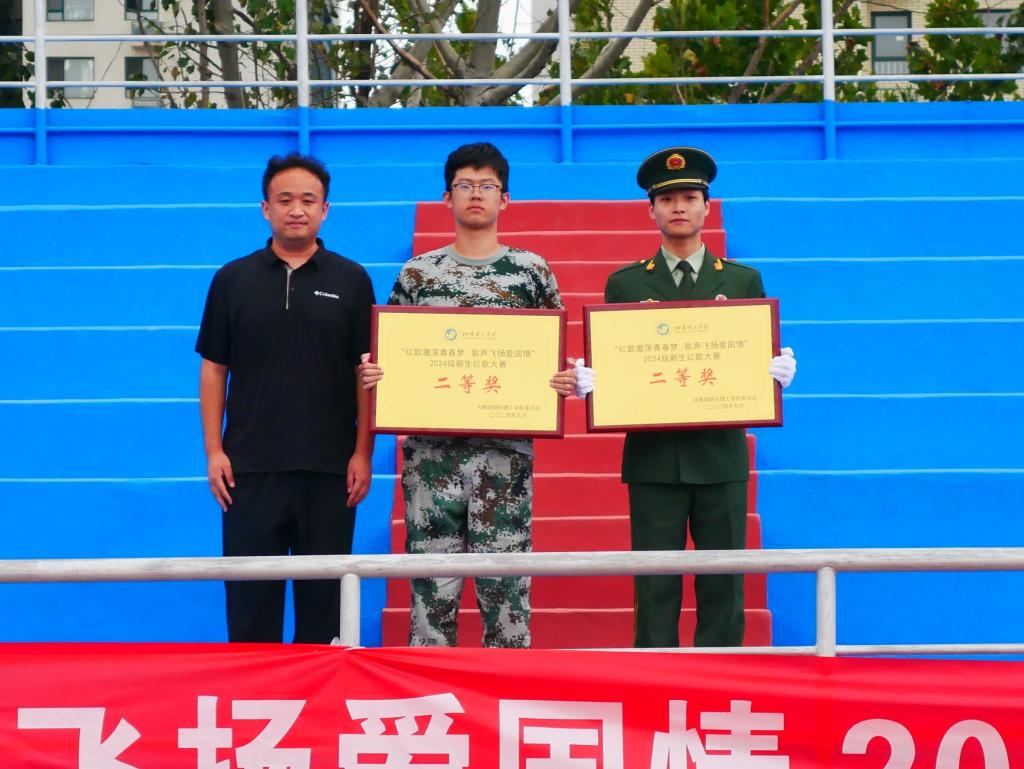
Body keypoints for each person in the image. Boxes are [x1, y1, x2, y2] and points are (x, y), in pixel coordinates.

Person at [360, 142, 578, 648]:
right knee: (431, 589)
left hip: (505, 454)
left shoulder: (531, 271)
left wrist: (560, 381)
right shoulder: (417, 273)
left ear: (505, 198)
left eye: (487, 186)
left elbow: (551, 351)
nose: (475, 194)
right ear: (447, 197)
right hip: (430, 456)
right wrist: (378, 372)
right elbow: (393, 349)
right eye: (464, 185)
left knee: (505, 591)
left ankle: (506, 687)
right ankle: (434, 692)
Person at [583, 146, 797, 648]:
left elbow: (750, 354)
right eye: (667, 199)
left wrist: (772, 373)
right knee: (654, 583)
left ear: (707, 206)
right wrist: (600, 381)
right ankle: (655, 675)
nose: (678, 207)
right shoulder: (625, 283)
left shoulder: (742, 280)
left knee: (723, 581)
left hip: (720, 455)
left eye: (689, 197)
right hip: (654, 459)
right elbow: (621, 361)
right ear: (651, 210)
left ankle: (721, 676)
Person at [195, 152, 375, 644]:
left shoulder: (352, 279)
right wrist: (214, 452)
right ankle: (257, 692)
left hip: (330, 471)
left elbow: (365, 375)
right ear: (265, 208)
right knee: (251, 608)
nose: (297, 209)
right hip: (249, 471)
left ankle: (319, 691)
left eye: (308, 200)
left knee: (324, 610)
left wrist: (362, 453)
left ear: (325, 210)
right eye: (285, 199)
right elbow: (213, 369)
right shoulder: (232, 279)